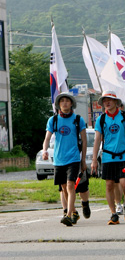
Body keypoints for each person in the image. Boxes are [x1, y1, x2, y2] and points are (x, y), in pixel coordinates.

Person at [91, 91, 125, 225]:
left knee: (124, 183)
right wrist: (94, 159)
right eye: (105, 100)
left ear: (116, 102)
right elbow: (97, 140)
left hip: (123, 155)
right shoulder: (101, 119)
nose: (107, 102)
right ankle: (113, 213)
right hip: (107, 156)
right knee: (109, 184)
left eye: (110, 100)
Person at [42, 92, 87, 226]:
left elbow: (84, 141)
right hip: (58, 159)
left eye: (67, 101)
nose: (65, 103)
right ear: (58, 104)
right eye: (62, 101)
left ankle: (68, 215)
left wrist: (83, 160)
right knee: (63, 187)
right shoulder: (53, 120)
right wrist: (44, 150)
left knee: (70, 185)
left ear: (72, 103)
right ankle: (73, 212)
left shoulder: (78, 119)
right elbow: (47, 138)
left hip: (73, 158)